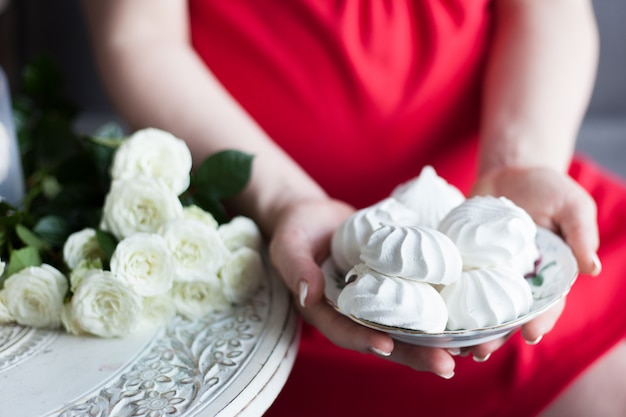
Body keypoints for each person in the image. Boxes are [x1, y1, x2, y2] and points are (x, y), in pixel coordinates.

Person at [80, 1, 626, 416]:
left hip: (520, 223)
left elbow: (553, 13)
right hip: (281, 263)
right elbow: (139, 37)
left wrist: (517, 166)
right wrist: (286, 200)